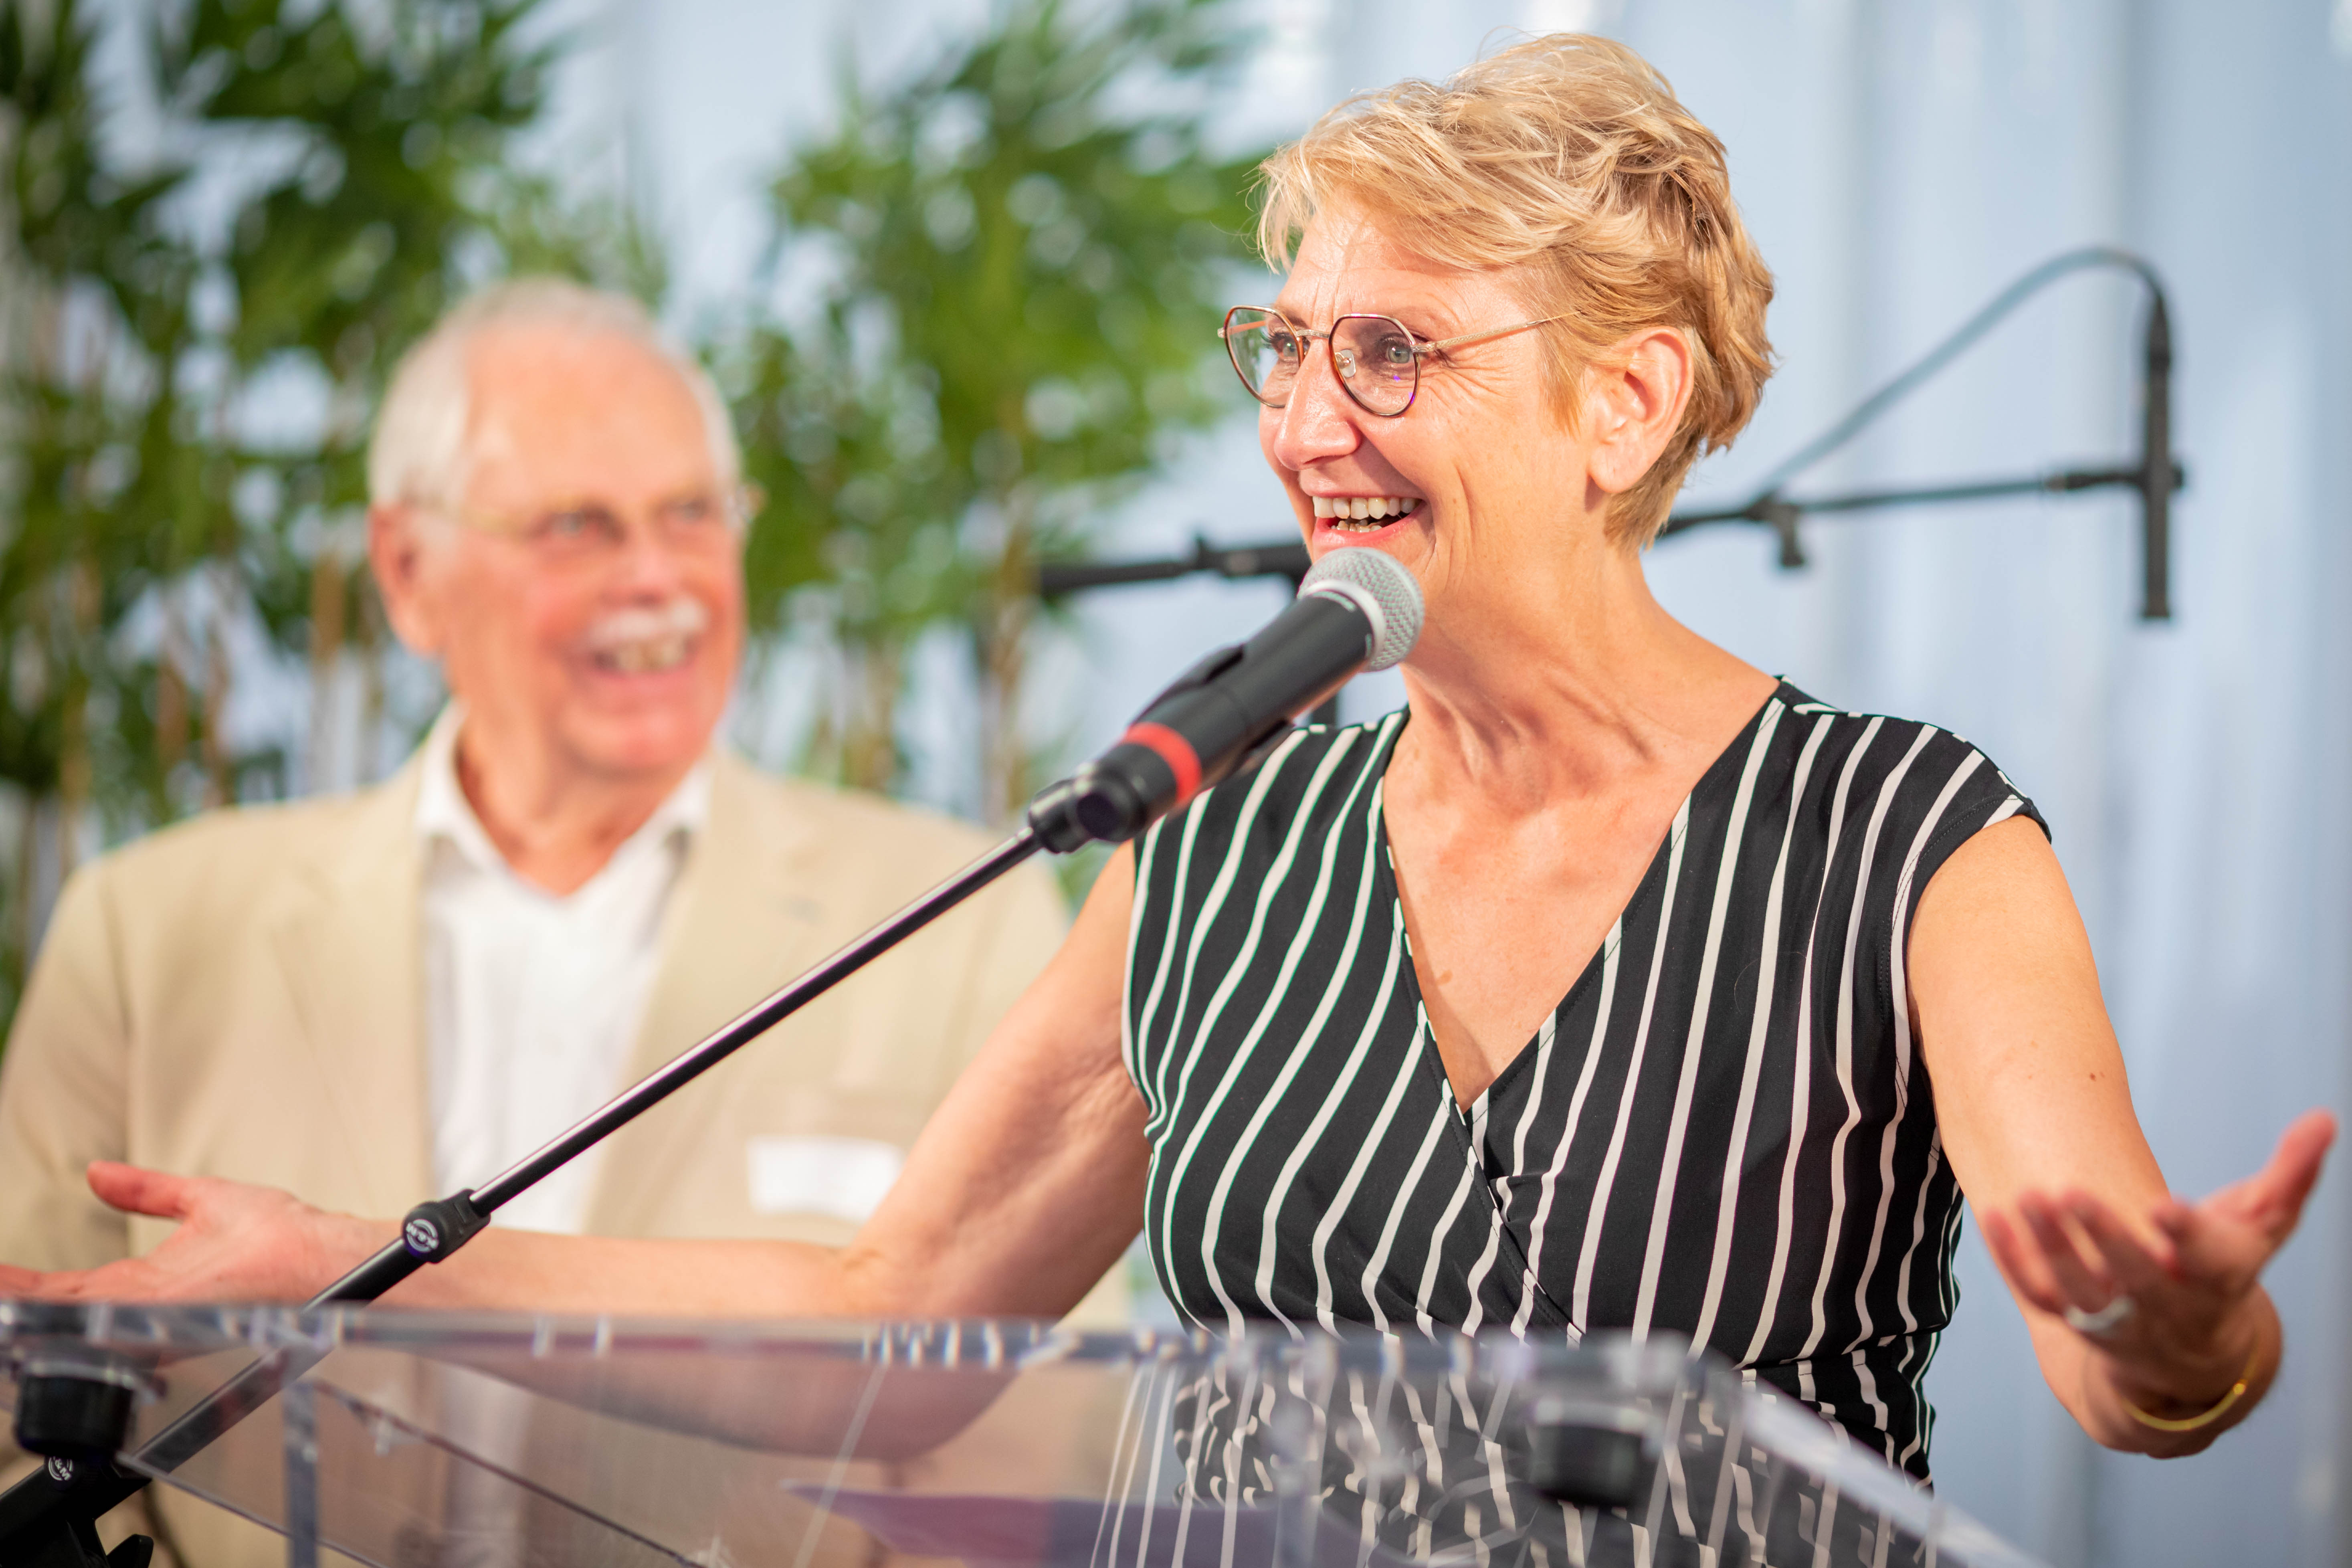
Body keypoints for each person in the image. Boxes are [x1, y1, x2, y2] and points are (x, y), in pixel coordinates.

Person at [4, 31, 2332, 1516]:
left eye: (1391, 350)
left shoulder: (1915, 843)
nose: (1301, 422)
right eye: (1283, 344)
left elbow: (2125, 1366)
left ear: (1618, 406)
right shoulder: (1223, 836)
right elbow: (891, 1324)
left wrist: (2182, 1327)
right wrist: (354, 1277)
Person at [0, 279, 1075, 1564]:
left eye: (691, 514)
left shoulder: (959, 916)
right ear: (408, 572)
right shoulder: (151, 927)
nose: (657, 581)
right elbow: (22, 1399)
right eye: (576, 525)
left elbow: (1024, 1456)